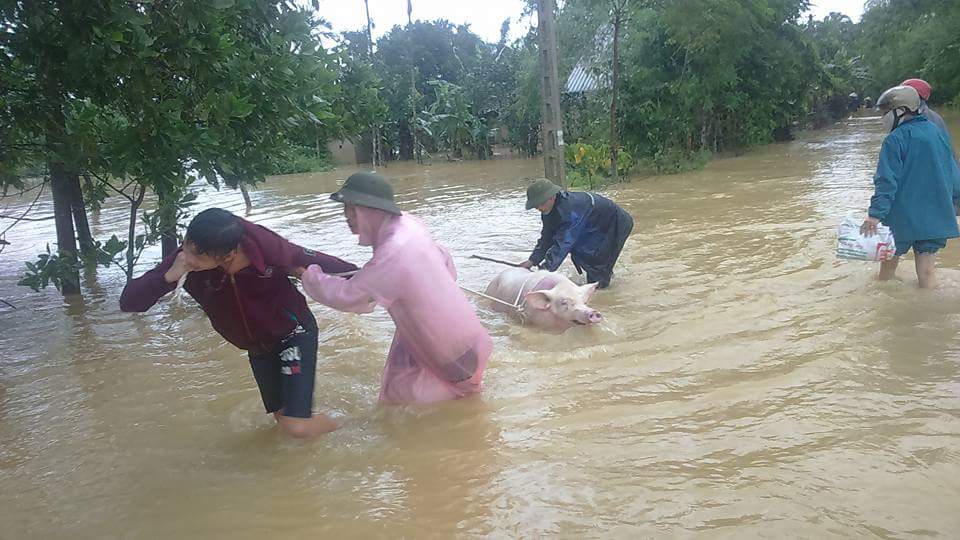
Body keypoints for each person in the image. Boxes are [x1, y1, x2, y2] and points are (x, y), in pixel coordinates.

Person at [120, 208, 358, 438]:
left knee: (296, 426)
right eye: (187, 247)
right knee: (283, 420)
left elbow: (307, 257)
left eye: (198, 257)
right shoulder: (183, 261)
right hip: (257, 347)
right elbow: (129, 302)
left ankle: (353, 427)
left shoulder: (263, 245)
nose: (188, 259)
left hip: (293, 331)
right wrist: (168, 276)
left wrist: (366, 277)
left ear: (228, 256)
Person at [296, 172, 491, 404]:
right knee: (461, 399)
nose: (346, 216)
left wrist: (308, 276)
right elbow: (444, 260)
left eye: (352, 208)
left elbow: (348, 296)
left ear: (371, 210)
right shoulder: (410, 224)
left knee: (408, 405)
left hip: (445, 348)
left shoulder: (392, 252)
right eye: (345, 209)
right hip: (462, 335)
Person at [860, 85, 960, 289]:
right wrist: (956, 203)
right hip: (934, 218)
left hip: (901, 220)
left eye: (885, 112)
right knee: (927, 274)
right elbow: (952, 170)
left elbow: (886, 182)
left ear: (901, 110)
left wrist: (874, 215)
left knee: (886, 275)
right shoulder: (936, 132)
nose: (882, 118)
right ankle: (930, 318)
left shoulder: (894, 140)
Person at [518, 178, 634, 288]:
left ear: (552, 197)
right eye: (536, 205)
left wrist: (543, 273)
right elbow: (547, 237)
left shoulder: (571, 211)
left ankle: (603, 295)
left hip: (615, 224)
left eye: (540, 203)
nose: (538, 208)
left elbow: (563, 244)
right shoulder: (548, 211)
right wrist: (532, 260)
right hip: (593, 227)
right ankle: (605, 278)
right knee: (585, 256)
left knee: (598, 269)